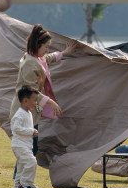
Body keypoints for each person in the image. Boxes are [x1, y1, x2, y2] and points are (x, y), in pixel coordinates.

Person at [9, 24, 78, 162]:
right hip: (23, 111)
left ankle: (22, 182)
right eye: (46, 46)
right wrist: (50, 101)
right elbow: (30, 90)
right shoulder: (30, 62)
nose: (47, 50)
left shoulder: (36, 58)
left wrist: (64, 53)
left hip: (30, 110)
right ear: (37, 45)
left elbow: (49, 58)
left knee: (29, 149)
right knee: (28, 149)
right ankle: (21, 183)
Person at [11, 85, 42, 188]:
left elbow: (23, 128)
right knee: (31, 162)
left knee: (21, 166)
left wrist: (31, 132)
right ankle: (25, 184)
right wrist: (31, 131)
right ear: (25, 100)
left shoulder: (28, 113)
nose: (36, 103)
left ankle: (17, 187)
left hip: (25, 145)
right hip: (20, 145)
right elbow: (16, 128)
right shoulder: (20, 114)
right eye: (34, 100)